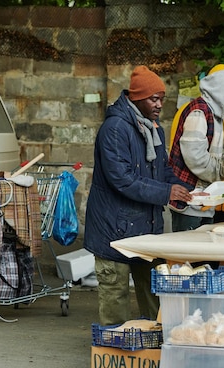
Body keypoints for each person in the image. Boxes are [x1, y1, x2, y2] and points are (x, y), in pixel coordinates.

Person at [84, 65, 193, 326]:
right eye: (153, 99)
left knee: (155, 298)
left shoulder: (154, 127)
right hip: (113, 231)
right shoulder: (114, 129)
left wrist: (185, 191)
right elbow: (122, 179)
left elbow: (163, 170)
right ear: (136, 98)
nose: (159, 105)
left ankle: (153, 357)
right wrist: (167, 192)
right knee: (115, 302)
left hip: (146, 231)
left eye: (161, 99)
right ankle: (112, 360)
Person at [168, 67, 224, 231]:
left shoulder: (217, 114)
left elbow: (218, 155)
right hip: (188, 200)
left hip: (204, 199)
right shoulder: (199, 113)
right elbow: (196, 159)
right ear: (222, 94)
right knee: (188, 254)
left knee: (203, 254)